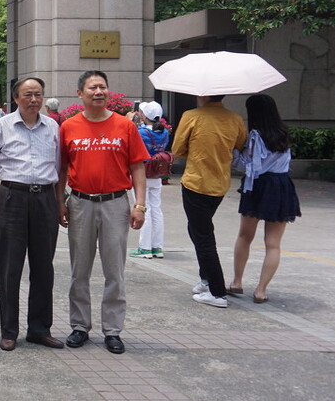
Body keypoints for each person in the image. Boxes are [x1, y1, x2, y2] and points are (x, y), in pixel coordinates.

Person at [58, 70, 148, 355]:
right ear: (79, 94)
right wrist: (60, 201)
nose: (99, 91)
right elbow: (60, 169)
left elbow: (137, 167)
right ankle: (80, 326)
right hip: (80, 203)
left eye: (103, 87)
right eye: (92, 87)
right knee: (79, 269)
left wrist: (139, 205)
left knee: (114, 270)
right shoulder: (68, 127)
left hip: (115, 204)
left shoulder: (125, 126)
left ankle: (112, 330)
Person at [0, 77, 64, 351]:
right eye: (28, 94)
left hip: (45, 198)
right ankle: (9, 330)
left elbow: (58, 166)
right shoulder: (0, 127)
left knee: (44, 267)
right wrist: (4, 195)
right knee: (9, 267)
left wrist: (57, 202)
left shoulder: (53, 127)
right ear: (16, 98)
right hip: (11, 197)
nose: (33, 100)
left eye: (38, 94)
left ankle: (39, 329)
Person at [170, 94, 247, 309]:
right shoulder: (235, 118)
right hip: (220, 184)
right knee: (197, 229)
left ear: (202, 94)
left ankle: (217, 291)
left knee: (203, 237)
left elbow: (177, 149)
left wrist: (195, 152)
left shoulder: (191, 116)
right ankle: (205, 280)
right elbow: (240, 144)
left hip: (196, 182)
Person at [229, 94, 300, 304]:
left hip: (258, 186)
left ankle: (237, 282)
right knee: (273, 244)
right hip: (281, 186)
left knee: (245, 236)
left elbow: (246, 166)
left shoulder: (255, 136)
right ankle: (261, 291)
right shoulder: (284, 135)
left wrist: (234, 152)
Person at [130, 101, 170, 259]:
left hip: (142, 174)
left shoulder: (140, 132)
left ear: (144, 115)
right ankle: (157, 247)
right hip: (157, 174)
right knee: (156, 210)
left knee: (142, 208)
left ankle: (145, 248)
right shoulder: (164, 132)